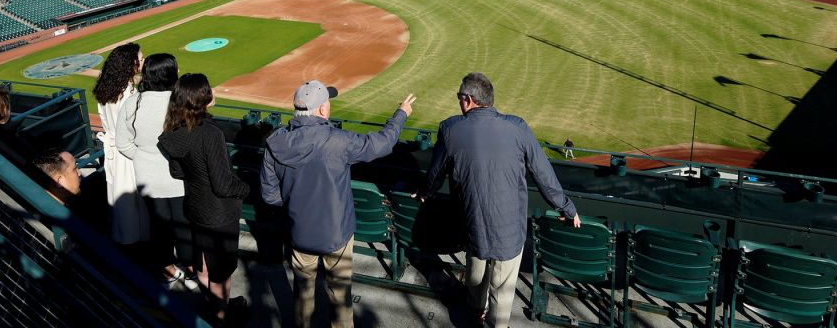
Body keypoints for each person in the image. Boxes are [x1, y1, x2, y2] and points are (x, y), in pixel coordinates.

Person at [422, 72, 580, 328]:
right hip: (508, 233)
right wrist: (566, 207)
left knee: (475, 276)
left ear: (468, 100)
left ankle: (476, 311)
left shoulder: (449, 128)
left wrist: (426, 192)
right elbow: (543, 174)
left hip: (472, 227)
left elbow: (435, 174)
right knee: (501, 293)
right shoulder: (517, 127)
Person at [259, 80, 415, 328]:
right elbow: (382, 144)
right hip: (337, 234)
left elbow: (270, 196)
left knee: (303, 293)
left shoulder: (275, 143)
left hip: (299, 233)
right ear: (322, 110)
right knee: (340, 296)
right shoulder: (338, 141)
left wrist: (295, 205)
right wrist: (401, 114)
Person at [158, 74, 250, 327]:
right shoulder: (211, 133)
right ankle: (221, 318)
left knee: (203, 267)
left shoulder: (173, 129)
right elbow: (223, 184)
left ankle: (214, 307)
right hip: (220, 213)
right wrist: (245, 189)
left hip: (195, 207)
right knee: (221, 273)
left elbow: (177, 172)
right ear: (203, 98)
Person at [116, 53, 196, 289]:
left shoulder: (134, 102)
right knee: (184, 226)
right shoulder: (180, 101)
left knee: (159, 228)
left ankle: (167, 272)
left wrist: (142, 157)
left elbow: (123, 142)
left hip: (148, 179)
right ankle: (191, 271)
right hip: (179, 177)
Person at [93, 42, 150, 245]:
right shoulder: (129, 94)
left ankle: (124, 239)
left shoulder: (105, 88)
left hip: (113, 151)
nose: (142, 62)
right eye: (140, 60)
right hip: (128, 151)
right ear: (130, 64)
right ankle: (135, 243)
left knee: (119, 199)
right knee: (132, 201)